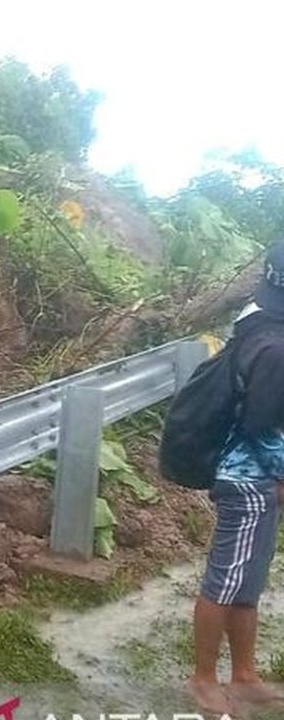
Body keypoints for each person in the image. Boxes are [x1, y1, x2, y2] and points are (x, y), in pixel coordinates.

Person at [189, 240, 284, 715]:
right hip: (248, 482)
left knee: (248, 583)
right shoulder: (274, 347)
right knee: (225, 583)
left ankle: (244, 675)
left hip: (256, 481)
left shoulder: (255, 323)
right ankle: (204, 678)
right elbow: (261, 427)